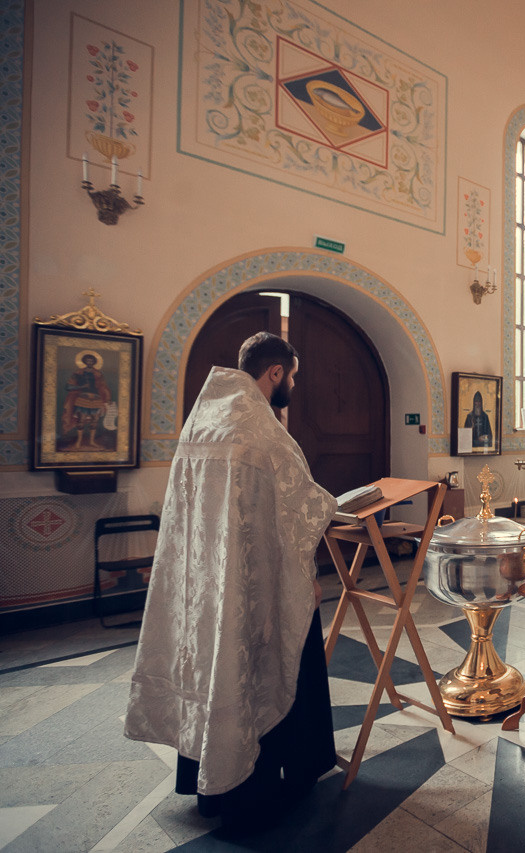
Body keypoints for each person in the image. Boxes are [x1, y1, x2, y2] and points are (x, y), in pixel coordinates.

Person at [125, 332, 338, 832]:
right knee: (265, 665)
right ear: (276, 373)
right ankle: (262, 791)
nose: (292, 387)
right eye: (293, 377)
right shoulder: (260, 429)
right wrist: (335, 506)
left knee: (210, 668)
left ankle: (206, 784)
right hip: (252, 583)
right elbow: (303, 504)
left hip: (202, 582)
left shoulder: (205, 419)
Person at [62, 352, 111, 450]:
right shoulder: (78, 373)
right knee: (81, 420)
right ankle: (78, 442)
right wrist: (81, 386)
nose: (90, 362)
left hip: (96, 399)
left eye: (92, 361)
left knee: (94, 421)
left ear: (94, 362)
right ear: (84, 361)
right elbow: (68, 386)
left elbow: (103, 387)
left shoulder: (98, 373)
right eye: (88, 361)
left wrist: (106, 399)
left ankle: (92, 442)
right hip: (82, 398)